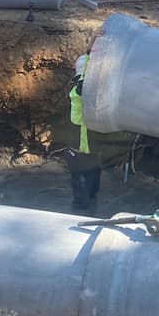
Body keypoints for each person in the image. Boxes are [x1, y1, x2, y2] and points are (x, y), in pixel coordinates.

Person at [67, 34, 103, 213]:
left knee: (92, 190)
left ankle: (88, 211)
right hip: (80, 146)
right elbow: (83, 89)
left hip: (90, 145)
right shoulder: (84, 64)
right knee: (82, 197)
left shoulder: (96, 64)